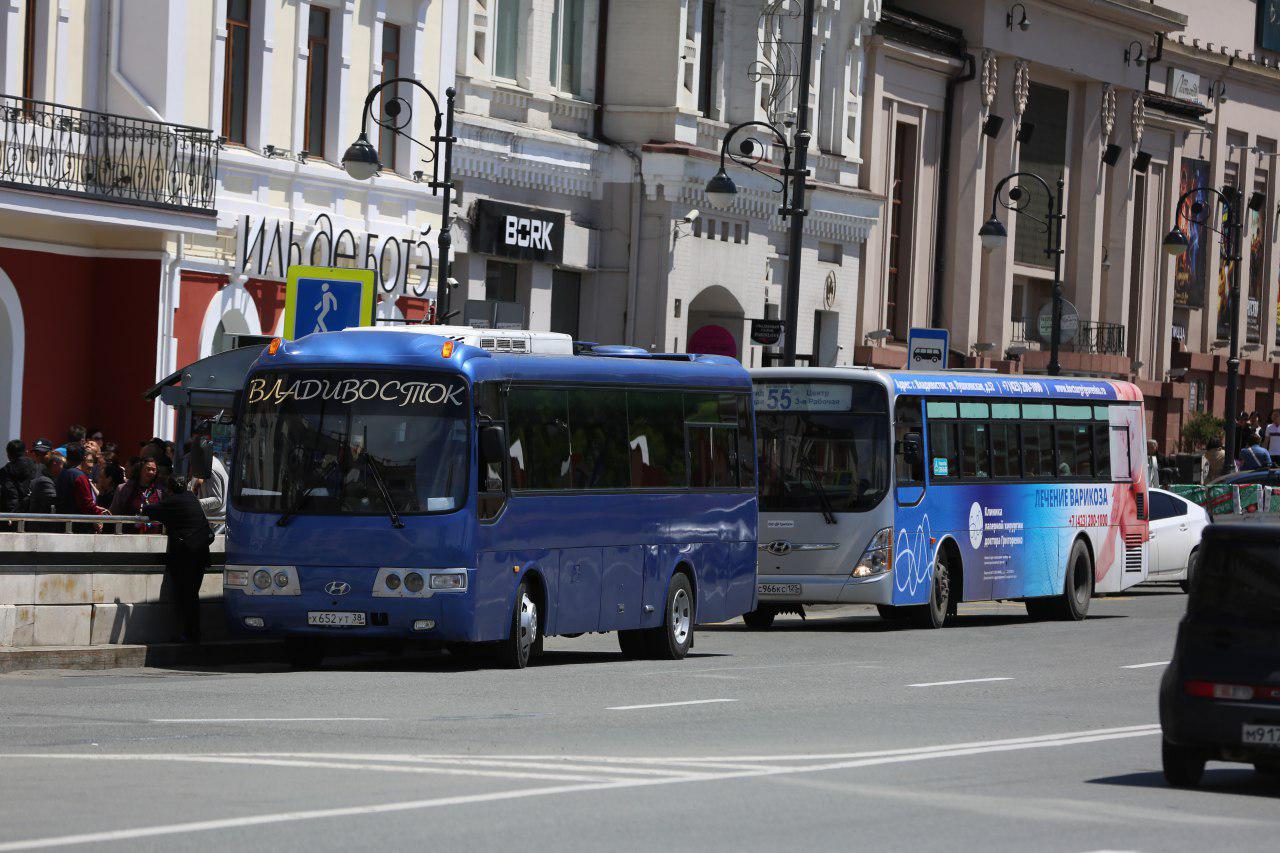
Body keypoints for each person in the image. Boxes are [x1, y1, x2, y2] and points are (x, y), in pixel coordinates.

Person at [140, 475, 212, 644]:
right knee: (192, 595)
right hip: (201, 554)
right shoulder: (192, 498)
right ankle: (193, 633)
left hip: (186, 557)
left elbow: (149, 510)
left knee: (187, 595)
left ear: (169, 490)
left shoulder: (172, 502)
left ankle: (190, 634)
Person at [55, 444, 109, 532]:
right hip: (79, 527)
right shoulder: (80, 476)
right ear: (84, 457)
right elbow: (86, 504)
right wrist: (99, 513)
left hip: (62, 524)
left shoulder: (63, 474)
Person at [111, 457, 165, 532]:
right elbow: (115, 512)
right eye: (148, 469)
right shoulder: (124, 489)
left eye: (154, 470)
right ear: (140, 469)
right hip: (129, 535)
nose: (151, 472)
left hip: (153, 538)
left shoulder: (159, 491)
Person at [1, 440, 37, 529]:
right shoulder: (34, 465)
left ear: (8, 454)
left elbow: (11, 493)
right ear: (25, 452)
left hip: (13, 513)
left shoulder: (6, 470)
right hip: (32, 510)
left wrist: (11, 515)